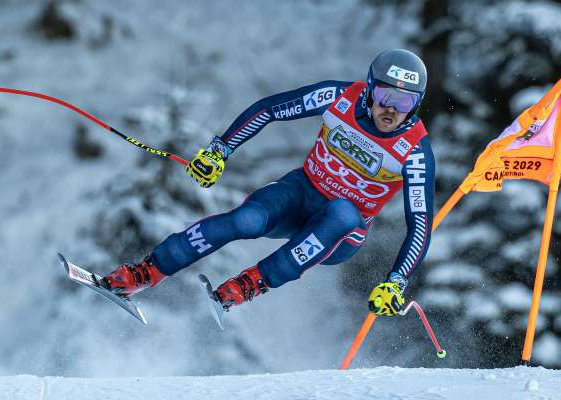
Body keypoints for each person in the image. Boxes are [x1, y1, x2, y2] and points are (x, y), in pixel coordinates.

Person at [101, 49, 435, 317]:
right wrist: (220, 150)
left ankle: (250, 284)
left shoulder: (415, 152)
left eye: (404, 103)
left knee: (345, 212)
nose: (391, 110)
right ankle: (145, 272)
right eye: (385, 97)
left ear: (416, 104)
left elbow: (420, 224)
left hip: (341, 232)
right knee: (245, 220)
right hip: (301, 193)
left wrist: (396, 281)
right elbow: (270, 109)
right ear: (369, 89)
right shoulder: (339, 97)